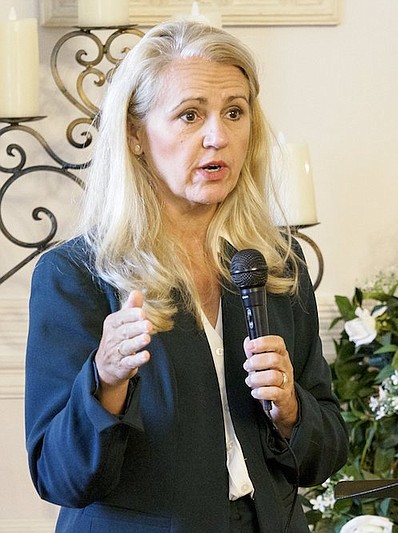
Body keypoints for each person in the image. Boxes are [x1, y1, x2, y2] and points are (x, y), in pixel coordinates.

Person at [24, 20, 348, 533]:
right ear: (135, 134)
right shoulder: (76, 275)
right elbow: (60, 478)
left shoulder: (278, 264)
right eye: (190, 115)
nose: (218, 136)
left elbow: (326, 453)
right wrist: (104, 380)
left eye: (234, 112)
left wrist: (290, 409)